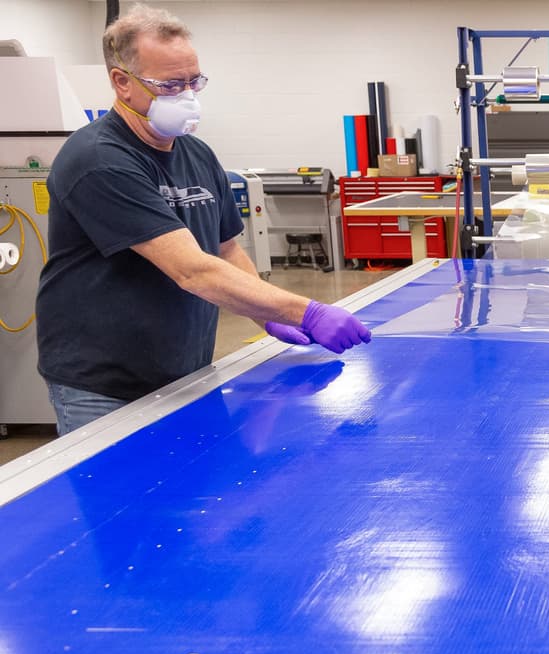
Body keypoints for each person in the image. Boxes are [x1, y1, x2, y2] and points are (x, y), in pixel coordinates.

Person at [37, 4, 370, 436]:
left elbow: (226, 248)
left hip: (185, 367)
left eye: (194, 81)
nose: (187, 95)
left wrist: (263, 315)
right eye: (171, 84)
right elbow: (192, 269)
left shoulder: (196, 152)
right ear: (122, 83)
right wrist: (305, 311)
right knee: (123, 501)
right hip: (104, 385)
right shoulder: (99, 160)